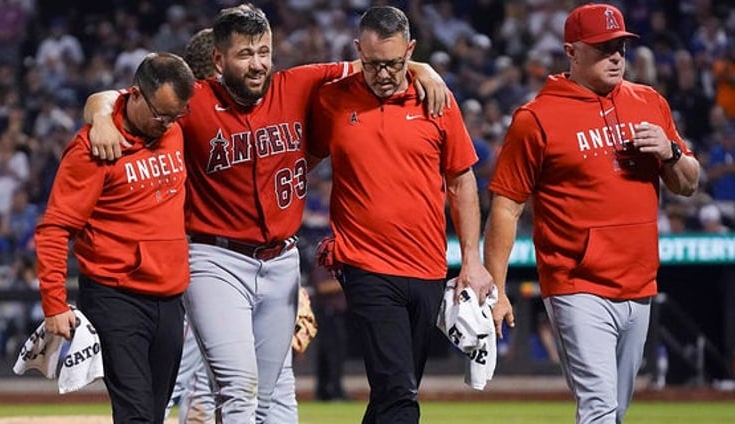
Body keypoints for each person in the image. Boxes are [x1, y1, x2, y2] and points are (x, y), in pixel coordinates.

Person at [84, 4, 450, 423]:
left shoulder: (296, 84)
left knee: (263, 397)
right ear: (220, 60)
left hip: (281, 262)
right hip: (215, 258)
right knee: (239, 390)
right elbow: (116, 98)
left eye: (263, 51)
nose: (258, 64)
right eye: (245, 54)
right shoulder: (195, 100)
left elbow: (374, 63)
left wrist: (424, 70)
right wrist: (100, 116)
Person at [483, 4, 700, 424]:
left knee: (614, 411)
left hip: (639, 281)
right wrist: (496, 288)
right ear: (571, 52)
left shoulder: (649, 102)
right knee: (599, 409)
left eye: (619, 46)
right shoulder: (536, 118)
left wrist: (671, 153)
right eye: (602, 48)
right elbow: (507, 206)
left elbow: (688, 184)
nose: (616, 56)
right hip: (576, 283)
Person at [307, 6, 493, 423]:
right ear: (358, 52)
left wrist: (473, 261)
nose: (384, 74)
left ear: (410, 50)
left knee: (395, 390)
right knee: (398, 390)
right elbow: (300, 160)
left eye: (393, 63)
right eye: (373, 64)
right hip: (365, 264)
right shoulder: (334, 99)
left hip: (427, 268)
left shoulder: (437, 99)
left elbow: (462, 183)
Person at [35, 52, 195, 423]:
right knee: (136, 413)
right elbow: (55, 227)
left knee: (154, 413)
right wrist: (54, 303)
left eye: (176, 116)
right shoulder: (93, 149)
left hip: (170, 296)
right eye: (161, 115)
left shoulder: (170, 126)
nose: (167, 124)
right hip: (116, 295)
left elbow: (107, 98)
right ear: (137, 95)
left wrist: (101, 110)